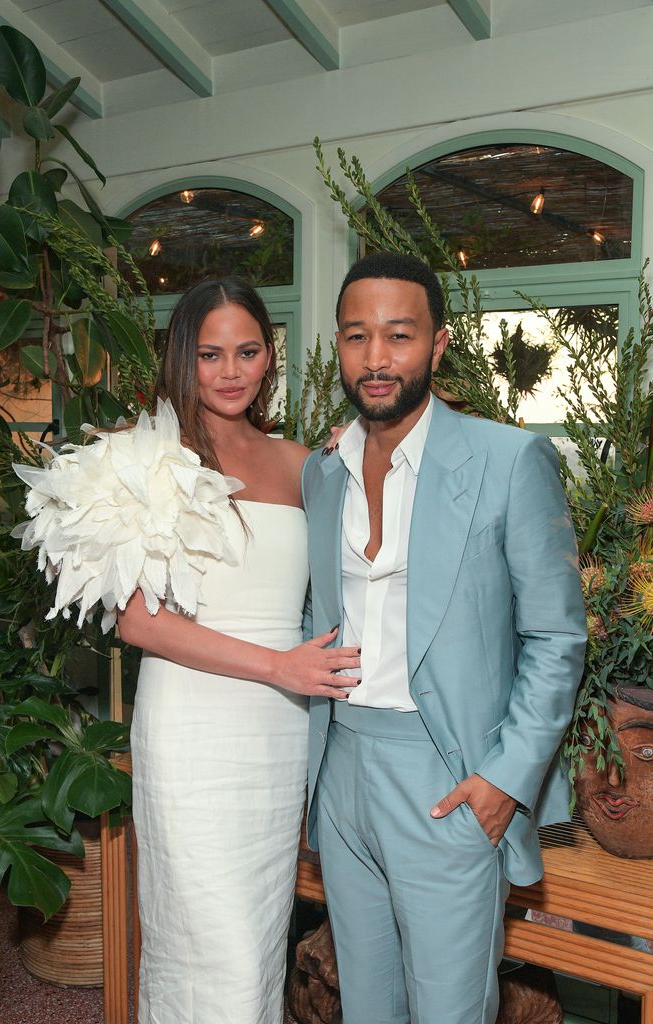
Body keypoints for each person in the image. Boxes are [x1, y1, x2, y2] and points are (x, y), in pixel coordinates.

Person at [15, 277, 360, 1024]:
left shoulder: (299, 462)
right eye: (210, 354)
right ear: (183, 357)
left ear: (270, 356)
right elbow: (138, 623)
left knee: (259, 943)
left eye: (246, 350)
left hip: (276, 735)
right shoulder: (146, 461)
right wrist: (278, 665)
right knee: (214, 951)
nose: (230, 370)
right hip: (194, 728)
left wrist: (354, 451)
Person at [301, 253, 587, 1024]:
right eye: (357, 337)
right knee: (363, 1002)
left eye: (399, 335)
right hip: (341, 769)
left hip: (447, 776)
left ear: (437, 344)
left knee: (450, 1008)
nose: (376, 357)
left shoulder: (506, 459)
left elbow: (556, 636)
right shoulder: (321, 472)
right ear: (337, 347)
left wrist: (505, 777)